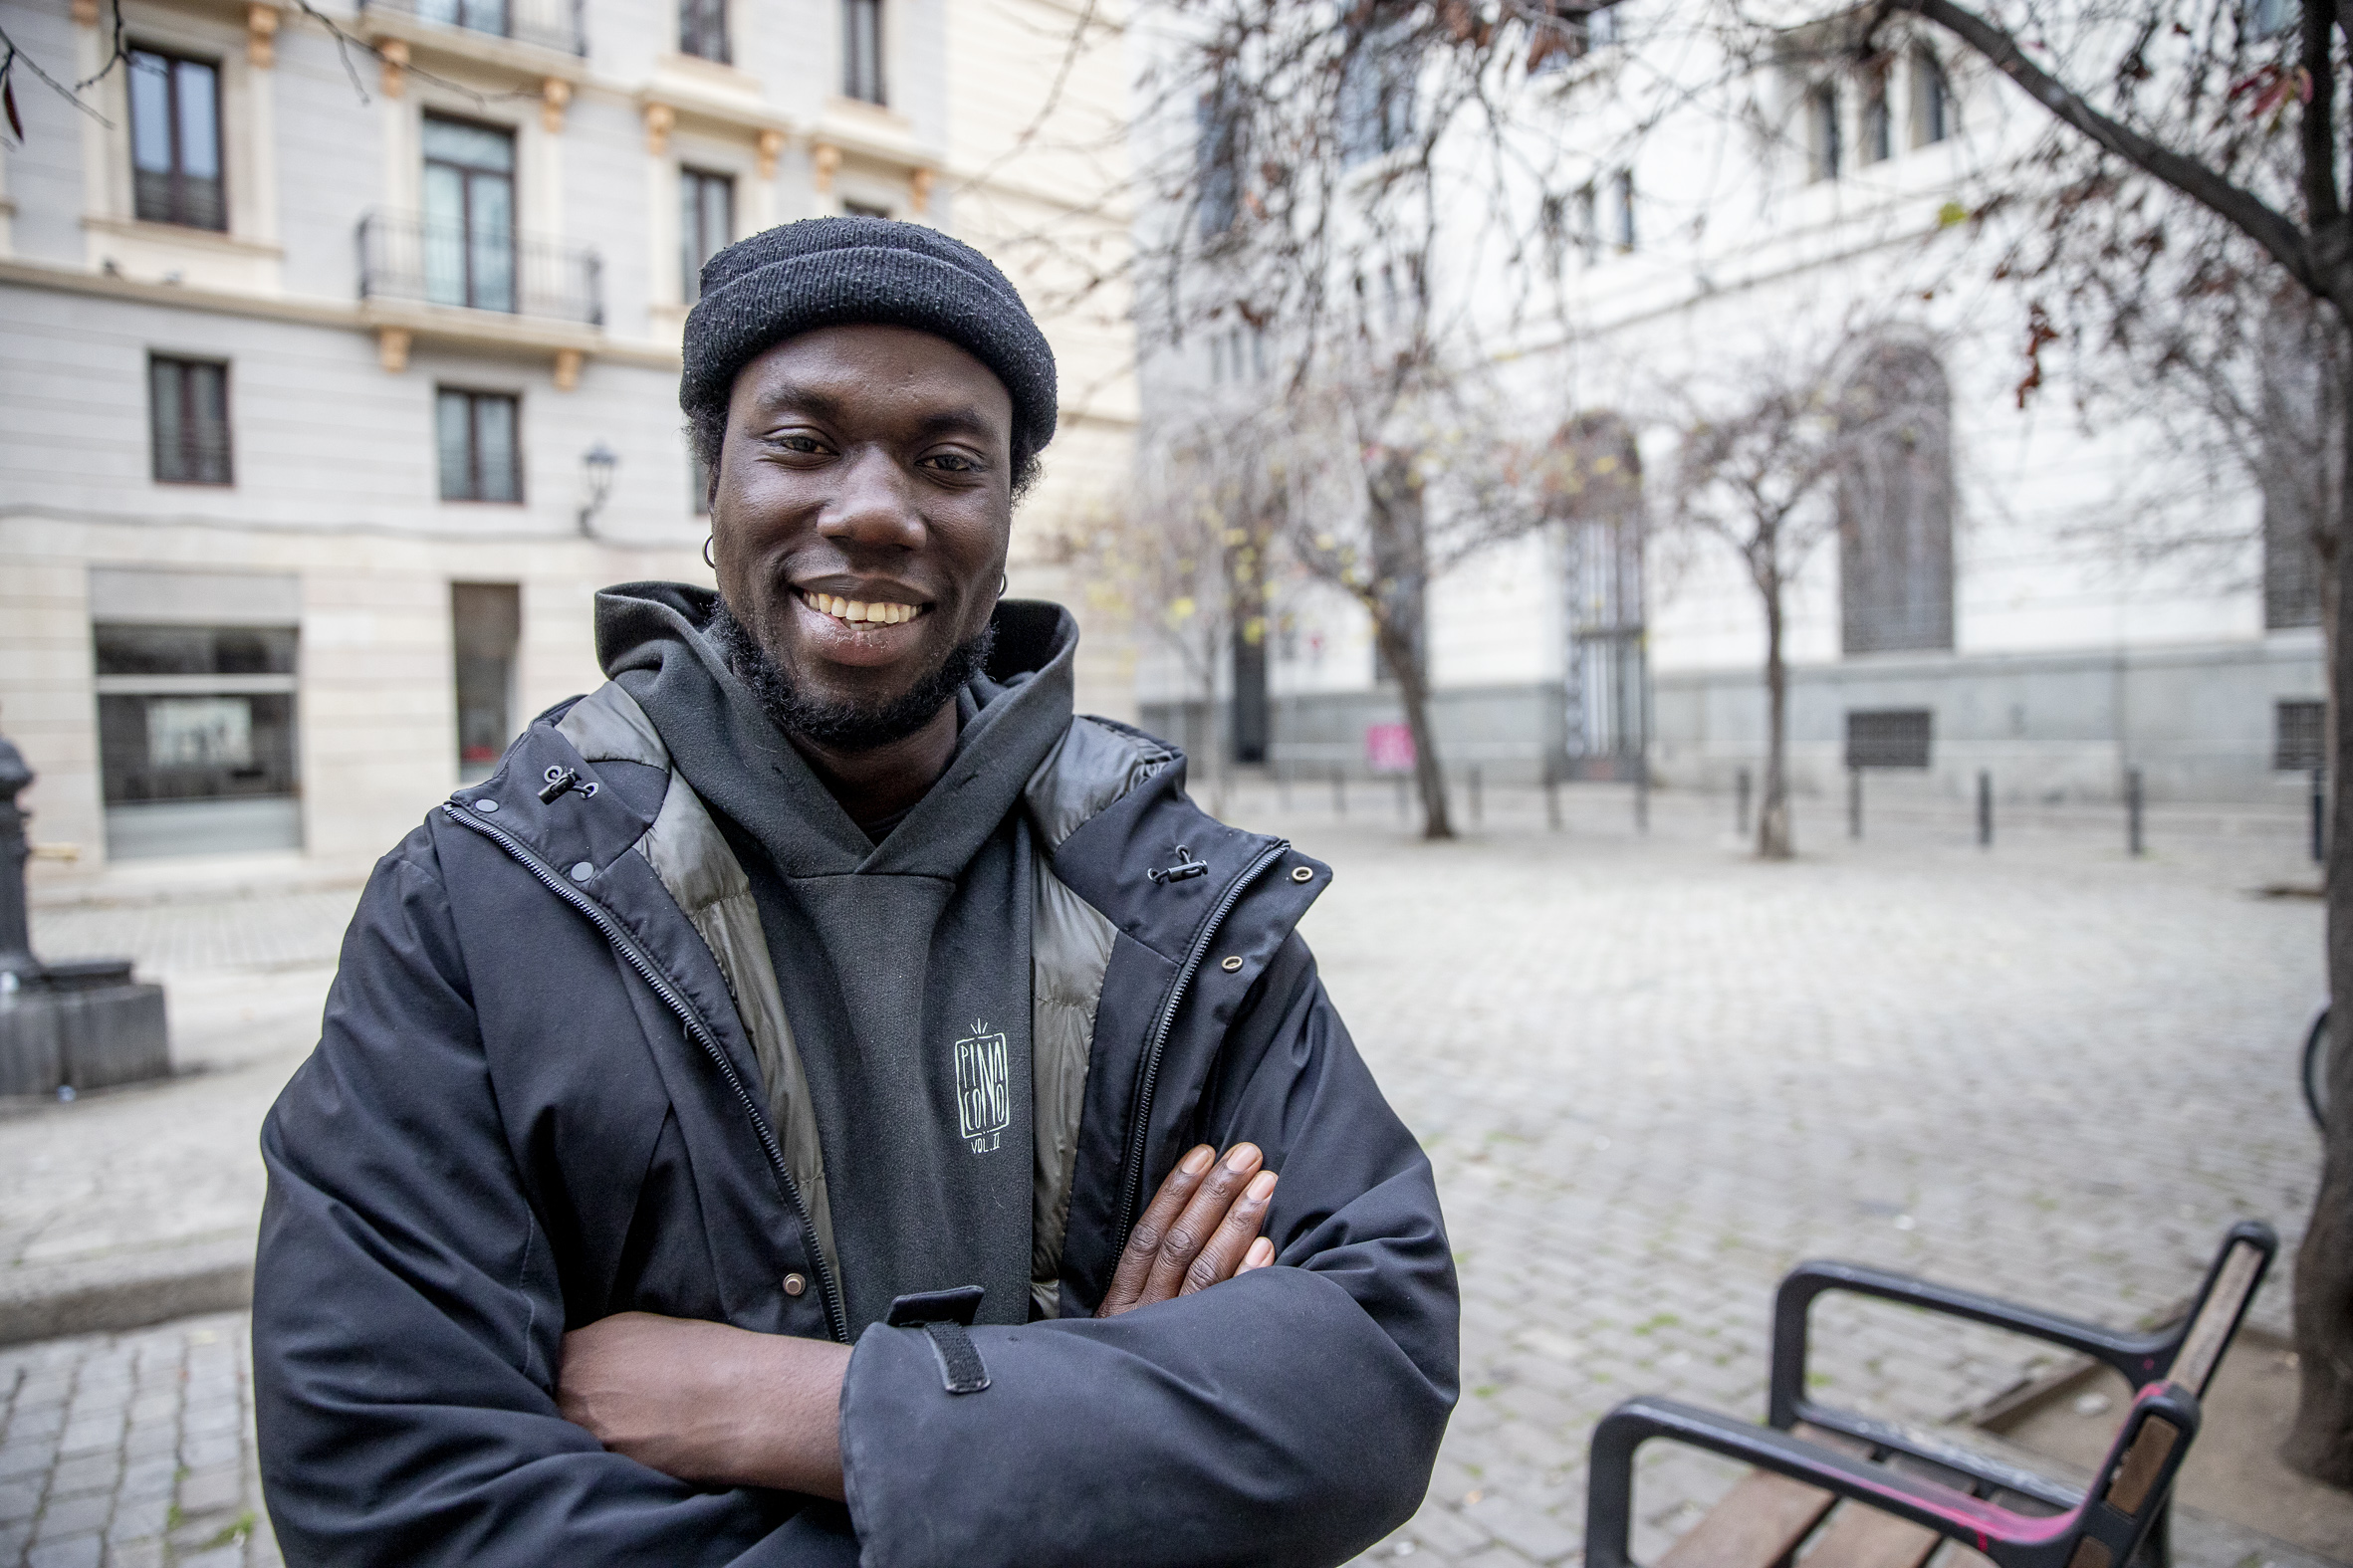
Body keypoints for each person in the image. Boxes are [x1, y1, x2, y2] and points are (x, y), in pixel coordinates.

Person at [251, 216, 1458, 1567]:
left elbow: (1369, 1378)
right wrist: (1085, 1451)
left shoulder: (1177, 902)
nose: (877, 512)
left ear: (1004, 517)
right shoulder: (477, 908)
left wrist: (807, 1410)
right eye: (805, 443)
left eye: (949, 461)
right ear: (714, 480)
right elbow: (392, 1495)